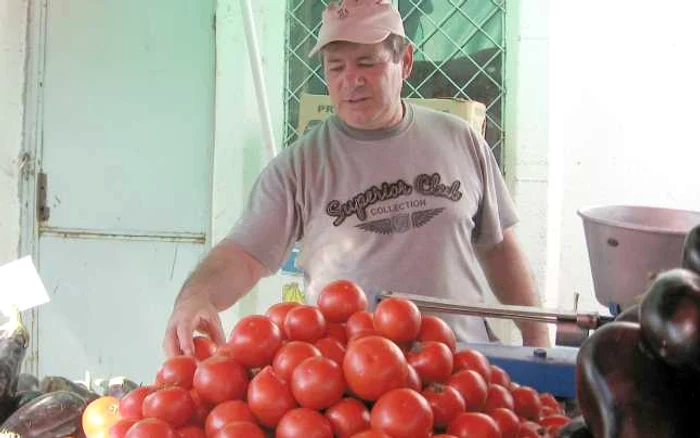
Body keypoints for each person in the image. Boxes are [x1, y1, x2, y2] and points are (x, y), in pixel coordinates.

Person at [163, 0, 550, 357]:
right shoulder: (300, 166)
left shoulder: (461, 139)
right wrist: (195, 297)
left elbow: (499, 249)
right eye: (336, 67)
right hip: (354, 382)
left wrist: (536, 338)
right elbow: (243, 256)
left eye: (367, 62)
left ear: (406, 61)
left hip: (462, 368)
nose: (352, 80)